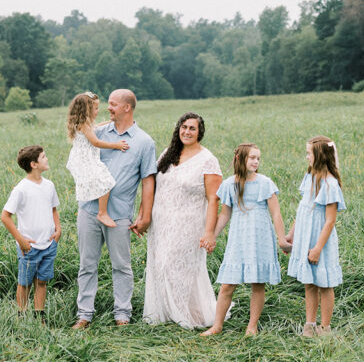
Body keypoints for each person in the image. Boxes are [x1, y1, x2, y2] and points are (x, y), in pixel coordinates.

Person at [73, 88, 157, 329]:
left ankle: (122, 314)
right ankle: (84, 315)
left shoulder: (143, 142)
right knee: (87, 265)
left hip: (120, 214)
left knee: (122, 266)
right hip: (89, 210)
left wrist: (145, 215)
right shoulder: (97, 133)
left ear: (127, 108)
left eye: (112, 104)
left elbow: (148, 180)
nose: (108, 108)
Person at [142, 112, 222, 329]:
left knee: (176, 267)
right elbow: (152, 184)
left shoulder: (208, 160)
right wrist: (145, 215)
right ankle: (164, 315)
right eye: (184, 127)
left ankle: (184, 314)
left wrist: (209, 232)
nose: (187, 131)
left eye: (192, 128)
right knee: (159, 265)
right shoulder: (169, 153)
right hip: (161, 223)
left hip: (188, 223)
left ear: (200, 132)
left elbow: (213, 200)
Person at [202, 143, 291, 337]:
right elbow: (225, 214)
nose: (256, 161)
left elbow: (276, 214)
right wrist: (212, 237)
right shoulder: (229, 184)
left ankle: (252, 325)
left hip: (260, 236)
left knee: (257, 283)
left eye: (258, 158)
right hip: (239, 237)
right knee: (227, 285)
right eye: (252, 157)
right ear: (240, 159)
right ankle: (217, 325)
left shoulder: (265, 183)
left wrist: (281, 239)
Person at [286, 135, 345, 337]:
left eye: (309, 154)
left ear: (319, 156)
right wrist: (291, 236)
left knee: (324, 283)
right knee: (309, 283)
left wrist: (318, 248)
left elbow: (330, 220)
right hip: (305, 237)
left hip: (321, 241)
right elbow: (302, 209)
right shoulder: (310, 178)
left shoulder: (330, 184)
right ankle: (309, 324)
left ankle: (325, 327)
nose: (306, 158)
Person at [0, 145, 61, 320]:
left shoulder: (49, 185)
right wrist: (21, 240)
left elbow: (53, 209)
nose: (47, 159)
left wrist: (58, 229)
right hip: (29, 246)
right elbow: (5, 216)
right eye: (43, 157)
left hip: (49, 244)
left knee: (42, 281)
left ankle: (39, 316)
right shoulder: (21, 189)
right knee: (25, 282)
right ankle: (22, 315)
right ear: (34, 164)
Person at [65, 91, 130, 228]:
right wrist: (116, 145)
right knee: (106, 181)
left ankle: (100, 210)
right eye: (95, 108)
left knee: (100, 180)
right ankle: (102, 213)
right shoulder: (83, 125)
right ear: (87, 110)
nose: (98, 111)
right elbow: (96, 142)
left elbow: (96, 127)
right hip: (84, 159)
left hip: (82, 158)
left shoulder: (85, 124)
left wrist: (110, 122)